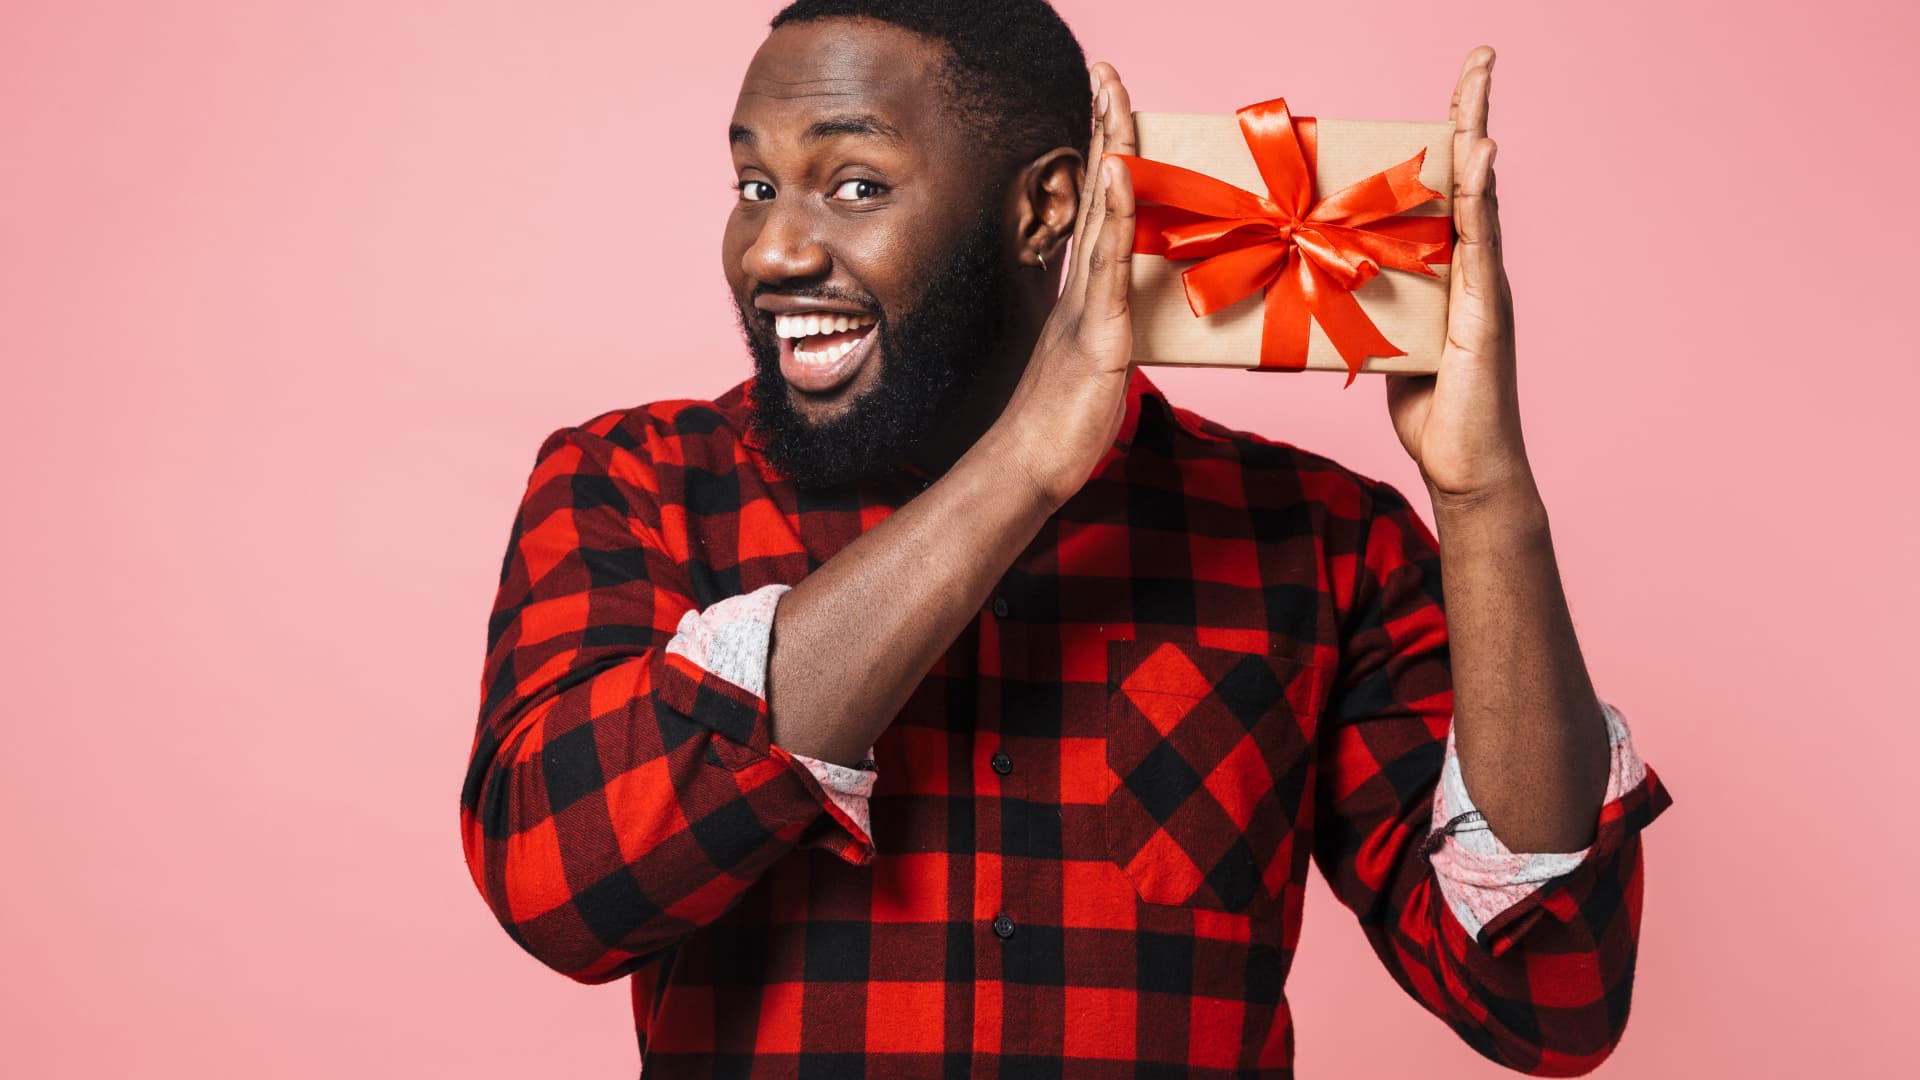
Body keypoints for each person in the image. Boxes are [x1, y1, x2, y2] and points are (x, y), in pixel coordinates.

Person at [458, 1, 1673, 1075]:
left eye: (855, 185)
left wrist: (1486, 497)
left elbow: (1547, 999)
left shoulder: (1319, 541)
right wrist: (1027, 466)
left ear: (1043, 207)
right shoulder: (635, 483)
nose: (772, 250)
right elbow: (560, 889)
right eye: (755, 186)